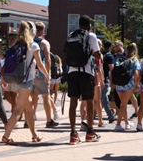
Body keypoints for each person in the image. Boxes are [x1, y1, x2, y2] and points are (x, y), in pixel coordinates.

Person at [1, 21, 49, 145]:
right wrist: (47, 74)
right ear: (32, 31)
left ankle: (34, 135)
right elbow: (39, 64)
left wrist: (3, 79)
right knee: (18, 110)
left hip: (17, 80)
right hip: (26, 81)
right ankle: (6, 136)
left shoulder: (16, 45)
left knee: (29, 109)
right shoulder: (33, 45)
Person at [67, 15, 102, 145]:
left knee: (73, 102)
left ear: (79, 24)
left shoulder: (71, 35)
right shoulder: (91, 36)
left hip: (72, 71)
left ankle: (73, 134)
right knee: (89, 102)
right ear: (89, 25)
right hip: (86, 72)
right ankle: (90, 132)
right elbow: (97, 56)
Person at [31, 21, 59, 128]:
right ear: (43, 30)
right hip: (41, 72)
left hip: (30, 72)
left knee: (32, 96)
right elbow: (47, 60)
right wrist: (48, 73)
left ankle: (30, 117)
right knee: (46, 97)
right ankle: (49, 121)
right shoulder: (44, 43)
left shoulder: (29, 42)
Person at [114, 43, 140, 131]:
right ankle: (118, 125)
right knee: (123, 104)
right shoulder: (134, 60)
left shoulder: (121, 59)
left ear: (127, 50)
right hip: (128, 84)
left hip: (118, 84)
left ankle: (126, 123)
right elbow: (136, 73)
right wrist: (137, 84)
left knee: (122, 104)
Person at [101, 40, 117, 123]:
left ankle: (110, 116)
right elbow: (112, 69)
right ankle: (90, 117)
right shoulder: (110, 56)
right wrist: (112, 80)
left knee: (104, 99)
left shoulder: (101, 54)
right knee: (100, 99)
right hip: (105, 79)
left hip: (99, 78)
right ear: (110, 47)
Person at [4, 31, 18, 114]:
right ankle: (19, 109)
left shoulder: (18, 49)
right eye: (10, 39)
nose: (11, 40)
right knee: (6, 96)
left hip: (15, 75)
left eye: (13, 39)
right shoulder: (9, 50)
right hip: (7, 74)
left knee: (13, 96)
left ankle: (15, 115)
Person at [50, 54, 62, 119]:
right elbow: (61, 72)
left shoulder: (52, 65)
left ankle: (51, 98)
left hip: (52, 79)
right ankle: (54, 101)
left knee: (51, 90)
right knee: (56, 91)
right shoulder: (59, 65)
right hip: (57, 79)